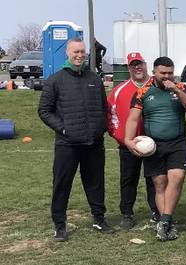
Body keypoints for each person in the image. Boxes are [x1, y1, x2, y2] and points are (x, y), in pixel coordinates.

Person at [39, 37, 114, 242]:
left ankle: (99, 219)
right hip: (67, 145)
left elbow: (103, 108)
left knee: (95, 183)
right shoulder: (55, 80)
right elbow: (44, 111)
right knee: (62, 184)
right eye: (76, 52)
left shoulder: (95, 79)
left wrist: (101, 128)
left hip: (93, 143)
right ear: (67, 53)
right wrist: (64, 129)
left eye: (82, 52)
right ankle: (59, 224)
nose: (80, 55)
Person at [124, 56, 186, 241]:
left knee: (177, 177)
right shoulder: (143, 92)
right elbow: (133, 118)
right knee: (160, 184)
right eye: (163, 73)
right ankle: (168, 223)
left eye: (170, 73)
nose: (167, 76)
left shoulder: (181, 87)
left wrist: (177, 92)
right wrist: (127, 140)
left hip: (178, 143)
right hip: (154, 146)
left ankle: (164, 221)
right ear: (154, 73)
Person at [107, 52, 159, 229]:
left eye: (140, 64)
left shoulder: (157, 85)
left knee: (155, 179)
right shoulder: (119, 90)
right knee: (128, 179)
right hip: (128, 145)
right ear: (128, 68)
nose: (137, 67)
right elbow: (111, 117)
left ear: (146, 65)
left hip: (155, 143)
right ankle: (127, 213)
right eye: (133, 65)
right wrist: (122, 138)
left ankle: (156, 211)